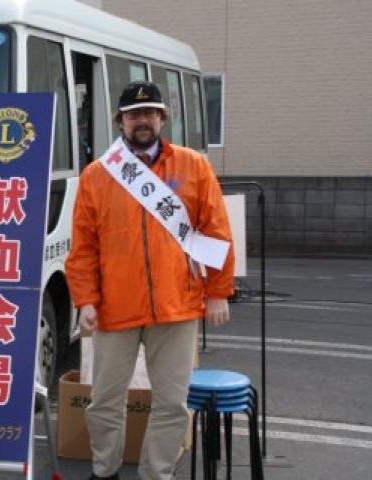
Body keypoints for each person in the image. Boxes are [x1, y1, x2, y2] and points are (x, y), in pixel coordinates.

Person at [65, 82, 234, 480]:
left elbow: (217, 232)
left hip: (176, 305)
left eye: (150, 112)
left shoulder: (193, 166)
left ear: (163, 117)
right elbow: (84, 246)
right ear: (120, 121)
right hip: (114, 306)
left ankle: (157, 474)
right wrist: (85, 300)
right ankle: (103, 470)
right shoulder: (97, 175)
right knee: (104, 402)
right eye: (133, 114)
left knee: (172, 404)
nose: (142, 120)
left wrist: (218, 292)